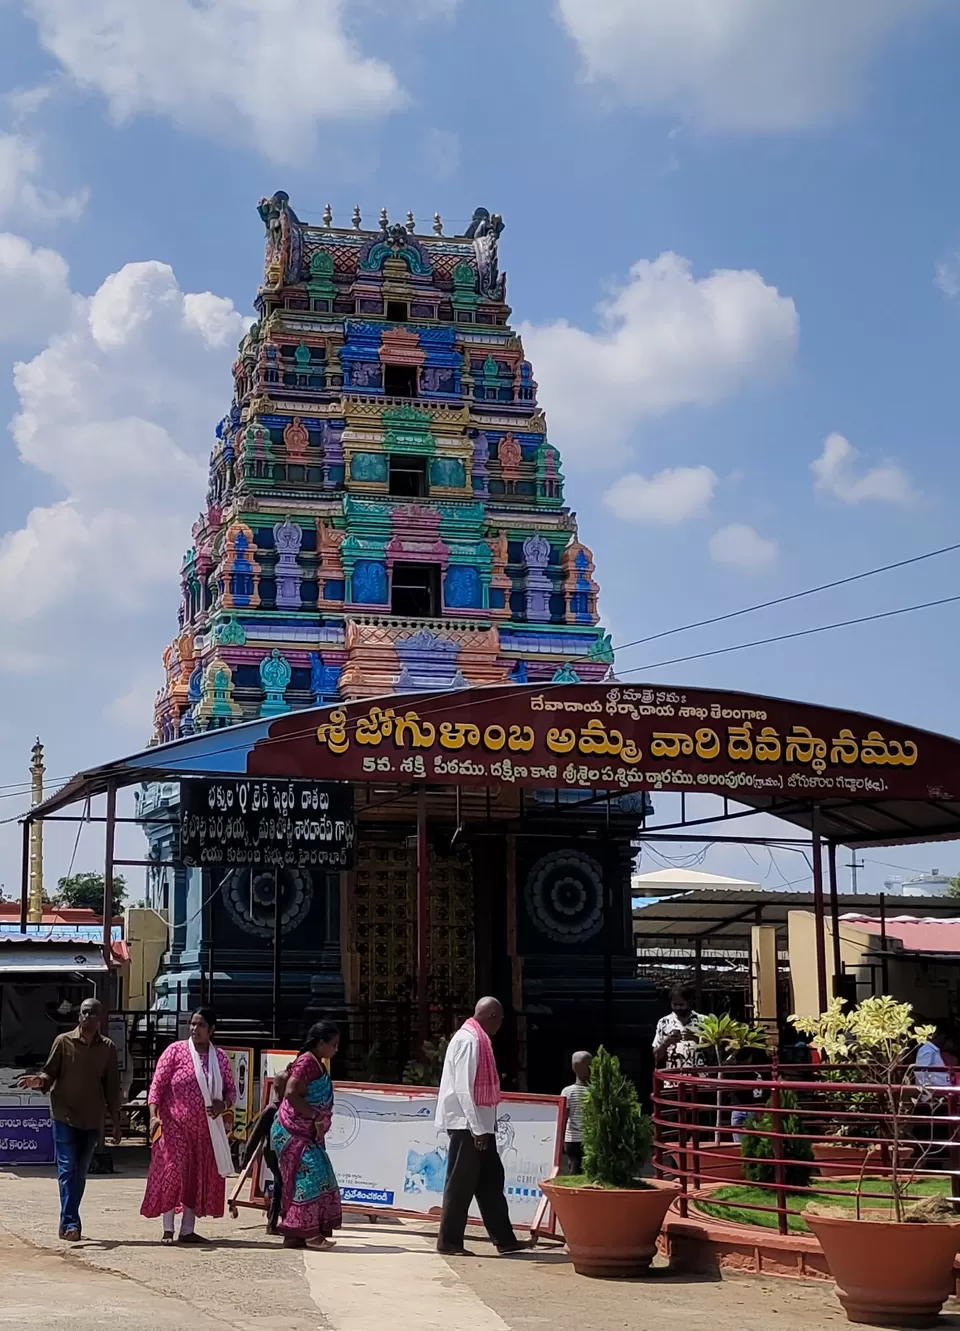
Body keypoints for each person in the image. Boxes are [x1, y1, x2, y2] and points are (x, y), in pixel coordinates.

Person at [17, 996, 122, 1242]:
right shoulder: (63, 1042)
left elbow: (111, 1087)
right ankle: (71, 1223)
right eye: (84, 1012)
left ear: (100, 1018)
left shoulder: (107, 1048)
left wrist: (115, 1122)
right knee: (67, 1169)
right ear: (78, 1016)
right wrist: (38, 1081)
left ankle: (68, 1220)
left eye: (93, 1013)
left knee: (80, 1172)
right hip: (64, 1116)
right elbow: (49, 1072)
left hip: (90, 1119)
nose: (88, 1017)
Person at [435, 997, 531, 1257]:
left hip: (480, 1126)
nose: (500, 1026)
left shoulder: (478, 1039)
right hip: (468, 1127)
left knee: (491, 1182)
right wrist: (477, 1128)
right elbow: (464, 1089)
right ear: (491, 1016)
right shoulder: (469, 1041)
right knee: (460, 1185)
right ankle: (449, 1242)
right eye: (499, 1020)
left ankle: (505, 1240)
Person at [140, 1007, 237, 1244]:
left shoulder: (221, 1058)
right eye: (192, 1024)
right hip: (173, 1126)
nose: (194, 1029)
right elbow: (157, 1087)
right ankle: (167, 1228)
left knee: (195, 1176)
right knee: (174, 1170)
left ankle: (187, 1230)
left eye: (200, 1025)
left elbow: (232, 1093)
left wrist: (221, 1105)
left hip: (205, 1131)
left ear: (211, 1030)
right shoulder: (175, 1052)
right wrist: (154, 1116)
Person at [271, 1021, 342, 1250]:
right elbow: (291, 1094)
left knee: (317, 1177)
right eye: (333, 1045)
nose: (336, 1050)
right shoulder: (306, 1063)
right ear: (321, 1044)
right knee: (310, 1176)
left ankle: (295, 1235)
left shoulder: (316, 1064)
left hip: (307, 1134)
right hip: (292, 1131)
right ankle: (310, 1234)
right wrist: (316, 1117)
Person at [242, 1065, 291, 1235]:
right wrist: (246, 1159)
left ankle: (281, 1221)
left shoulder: (291, 1110)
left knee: (283, 1185)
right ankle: (272, 1224)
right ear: (279, 1088)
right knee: (280, 1184)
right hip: (272, 1153)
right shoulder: (271, 1110)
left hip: (286, 1154)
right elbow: (255, 1136)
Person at [652, 985, 704, 1077]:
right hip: (673, 1080)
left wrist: (697, 1039)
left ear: (689, 1002)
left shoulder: (703, 1021)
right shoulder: (664, 1022)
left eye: (681, 1004)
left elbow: (715, 1052)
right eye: (675, 1005)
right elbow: (656, 1057)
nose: (678, 1008)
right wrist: (665, 1043)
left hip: (699, 1080)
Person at [560, 1051, 592, 1175]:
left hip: (571, 1139)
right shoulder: (594, 1092)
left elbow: (563, 1118)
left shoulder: (567, 1092)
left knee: (574, 1166)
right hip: (590, 1139)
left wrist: (560, 1140)